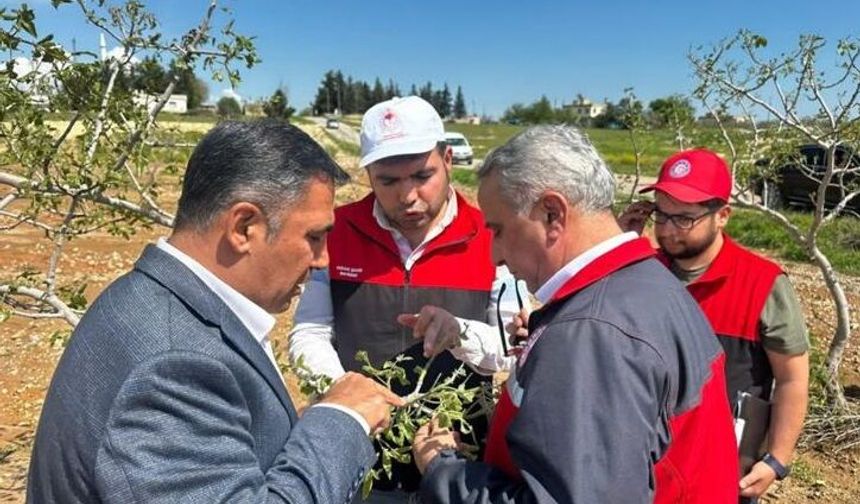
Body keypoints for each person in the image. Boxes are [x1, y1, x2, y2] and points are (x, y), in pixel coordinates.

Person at [27, 120, 404, 503]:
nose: (323, 259)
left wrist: (302, 434)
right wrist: (343, 421)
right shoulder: (174, 363)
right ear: (244, 226)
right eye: (314, 236)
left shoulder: (150, 298)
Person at [413, 125, 739, 503]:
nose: (494, 256)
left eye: (499, 230)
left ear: (552, 213)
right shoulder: (647, 283)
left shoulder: (592, 332)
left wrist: (444, 470)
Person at [288, 96, 527, 501]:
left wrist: (460, 333)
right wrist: (346, 390)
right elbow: (309, 330)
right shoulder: (337, 232)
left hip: (455, 456)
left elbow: (511, 348)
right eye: (389, 181)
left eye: (422, 175)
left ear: (448, 159)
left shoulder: (491, 234)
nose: (409, 196)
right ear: (368, 176)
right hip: (358, 454)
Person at [619, 148, 810, 502]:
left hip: (722, 476)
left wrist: (776, 460)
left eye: (684, 219)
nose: (668, 230)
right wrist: (619, 249)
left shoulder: (762, 284)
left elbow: (791, 379)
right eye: (661, 215)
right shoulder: (641, 273)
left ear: (722, 215)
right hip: (645, 469)